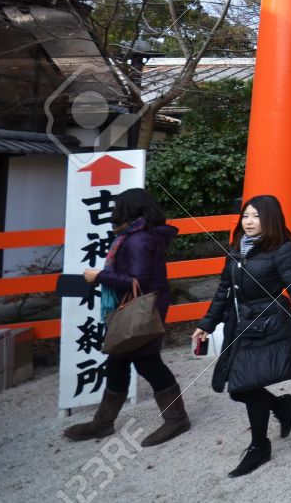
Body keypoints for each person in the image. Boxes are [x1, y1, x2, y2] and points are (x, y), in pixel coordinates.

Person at [192, 195, 291, 478]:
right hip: (238, 327)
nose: (249, 222)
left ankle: (259, 446)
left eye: (256, 216)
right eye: (246, 216)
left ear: (270, 219)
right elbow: (223, 290)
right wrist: (206, 323)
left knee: (244, 386)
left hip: (267, 326)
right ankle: (280, 405)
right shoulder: (236, 248)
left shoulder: (281, 249)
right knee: (238, 388)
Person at [64, 188, 190, 446]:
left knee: (147, 362)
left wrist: (98, 276)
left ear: (128, 209)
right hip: (142, 305)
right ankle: (103, 423)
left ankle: (176, 419)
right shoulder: (137, 236)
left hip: (143, 308)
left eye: (118, 206)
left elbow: (137, 280)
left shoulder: (138, 239)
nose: (114, 211)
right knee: (118, 361)